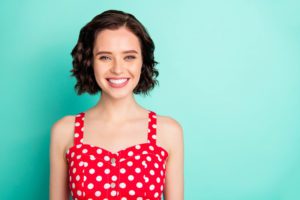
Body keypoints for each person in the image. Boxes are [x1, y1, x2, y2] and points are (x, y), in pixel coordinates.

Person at [49, 9, 184, 200]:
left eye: (129, 56)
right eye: (105, 57)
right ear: (90, 62)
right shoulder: (64, 131)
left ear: (142, 61)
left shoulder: (168, 131)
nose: (118, 69)